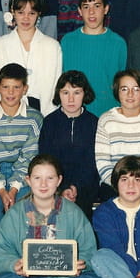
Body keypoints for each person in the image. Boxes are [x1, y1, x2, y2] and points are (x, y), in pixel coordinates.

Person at [0, 154, 110, 278]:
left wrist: (81, 264)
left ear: (59, 180)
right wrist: (13, 264)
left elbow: (89, 251)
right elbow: (0, 252)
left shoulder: (73, 212)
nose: (43, 184)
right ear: (28, 180)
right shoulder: (15, 214)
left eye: (50, 178)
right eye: (37, 178)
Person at [0, 63, 44, 244]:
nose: (11, 92)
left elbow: (30, 157)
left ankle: (22, 255)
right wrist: (1, 190)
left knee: (25, 217)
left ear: (25, 89)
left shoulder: (34, 118)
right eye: (6, 87)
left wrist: (13, 189)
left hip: (23, 175)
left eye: (16, 87)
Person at [38, 71, 101, 219]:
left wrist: (75, 187)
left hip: (85, 186)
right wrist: (63, 187)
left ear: (84, 94)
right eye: (65, 93)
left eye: (77, 92)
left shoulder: (93, 123)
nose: (71, 99)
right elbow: (46, 159)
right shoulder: (49, 122)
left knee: (79, 216)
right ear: (58, 94)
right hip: (54, 184)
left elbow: (92, 162)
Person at [95, 70, 140, 201]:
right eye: (124, 89)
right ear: (117, 92)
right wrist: (120, 185)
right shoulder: (106, 120)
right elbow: (102, 161)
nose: (130, 94)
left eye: (136, 89)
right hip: (114, 185)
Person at [0, 0, 62, 116]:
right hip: (10, 112)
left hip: (45, 113)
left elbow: (54, 87)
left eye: (31, 13)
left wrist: (47, 117)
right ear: (12, 12)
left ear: (38, 13)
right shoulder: (2, 44)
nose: (26, 18)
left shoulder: (52, 46)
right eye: (21, 12)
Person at [60, 0, 127, 116]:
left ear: (106, 9)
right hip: (76, 113)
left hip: (109, 114)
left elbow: (122, 84)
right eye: (86, 7)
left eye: (97, 6)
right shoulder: (67, 41)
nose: (91, 12)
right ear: (79, 11)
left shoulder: (118, 43)